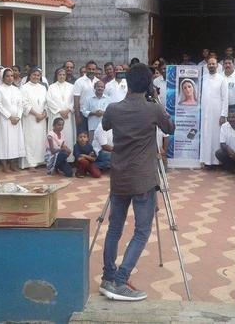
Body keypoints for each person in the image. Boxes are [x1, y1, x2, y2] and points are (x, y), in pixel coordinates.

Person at [99, 63, 174, 301]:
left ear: (127, 83)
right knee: (142, 231)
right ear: (149, 85)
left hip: (119, 177)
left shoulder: (113, 108)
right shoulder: (153, 109)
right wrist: (156, 100)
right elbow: (170, 127)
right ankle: (120, 281)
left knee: (114, 228)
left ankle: (107, 277)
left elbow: (105, 125)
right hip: (143, 180)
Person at [0, 68, 26, 172]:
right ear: (3, 77)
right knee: (3, 141)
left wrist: (18, 117)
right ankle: (4, 165)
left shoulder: (16, 90)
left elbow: (21, 104)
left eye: (11, 76)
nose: (10, 78)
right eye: (7, 76)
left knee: (14, 142)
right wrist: (10, 117)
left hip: (16, 120)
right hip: (4, 120)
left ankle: (13, 164)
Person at [200, 58, 228, 168]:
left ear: (217, 66)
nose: (211, 65)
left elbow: (225, 98)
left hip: (217, 112)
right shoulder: (203, 78)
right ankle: (206, 160)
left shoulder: (222, 79)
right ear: (207, 66)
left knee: (216, 136)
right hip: (204, 112)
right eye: (209, 64)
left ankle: (216, 162)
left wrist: (223, 115)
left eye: (213, 64)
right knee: (205, 135)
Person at [20, 67, 48, 171]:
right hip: (30, 118)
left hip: (42, 118)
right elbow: (24, 103)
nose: (36, 77)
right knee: (30, 140)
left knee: (41, 139)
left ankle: (41, 161)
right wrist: (36, 114)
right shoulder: (24, 88)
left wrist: (44, 114)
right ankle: (30, 163)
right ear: (30, 76)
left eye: (38, 75)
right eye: (34, 75)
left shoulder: (43, 88)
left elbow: (47, 102)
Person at [47, 67, 75, 162]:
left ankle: (69, 159)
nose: (62, 76)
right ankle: (55, 159)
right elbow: (49, 101)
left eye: (63, 75)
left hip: (68, 115)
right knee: (56, 136)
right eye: (60, 74)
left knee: (67, 135)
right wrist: (60, 111)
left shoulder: (71, 87)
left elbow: (74, 100)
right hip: (57, 115)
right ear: (56, 75)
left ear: (66, 76)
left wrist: (68, 110)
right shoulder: (51, 87)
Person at [73, 60, 100, 135]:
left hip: (95, 114)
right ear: (86, 69)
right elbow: (76, 99)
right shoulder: (79, 81)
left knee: (94, 136)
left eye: (93, 69)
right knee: (82, 136)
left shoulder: (98, 81)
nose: (91, 71)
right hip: (82, 114)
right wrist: (77, 116)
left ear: (96, 70)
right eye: (89, 69)